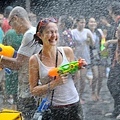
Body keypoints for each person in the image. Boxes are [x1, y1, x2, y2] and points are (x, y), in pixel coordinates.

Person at [29, 17, 87, 120]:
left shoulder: (67, 51)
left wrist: (77, 68)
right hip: (52, 109)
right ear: (40, 35)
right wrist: (54, 83)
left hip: (74, 105)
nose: (54, 36)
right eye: (49, 32)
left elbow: (75, 79)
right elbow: (33, 90)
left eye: (56, 32)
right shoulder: (35, 60)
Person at [0, 6, 42, 120]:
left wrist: (1, 59)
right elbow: (22, 60)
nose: (11, 27)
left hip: (29, 92)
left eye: (10, 23)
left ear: (16, 18)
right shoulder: (33, 32)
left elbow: (18, 63)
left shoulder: (29, 34)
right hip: (33, 88)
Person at [71, 16, 95, 104]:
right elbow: (70, 45)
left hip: (85, 57)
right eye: (81, 22)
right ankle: (75, 96)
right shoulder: (73, 32)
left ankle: (80, 96)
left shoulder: (87, 31)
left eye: (84, 22)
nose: (83, 24)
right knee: (77, 78)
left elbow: (93, 44)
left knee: (82, 78)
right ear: (77, 23)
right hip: (75, 58)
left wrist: (90, 38)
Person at [105, 1, 120, 119]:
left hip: (118, 59)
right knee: (114, 83)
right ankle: (116, 110)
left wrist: (110, 42)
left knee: (112, 83)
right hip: (116, 59)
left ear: (112, 10)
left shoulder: (119, 21)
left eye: (109, 10)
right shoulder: (116, 22)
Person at [2, 29, 23, 109]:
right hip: (22, 65)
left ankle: (14, 104)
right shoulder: (26, 33)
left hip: (9, 63)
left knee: (12, 89)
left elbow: (3, 47)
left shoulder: (9, 33)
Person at [87, 17, 106, 101]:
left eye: (94, 22)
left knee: (101, 76)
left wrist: (105, 56)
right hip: (92, 56)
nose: (93, 23)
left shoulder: (99, 31)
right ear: (88, 24)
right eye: (91, 22)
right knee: (96, 76)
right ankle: (93, 92)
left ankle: (98, 93)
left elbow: (103, 44)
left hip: (101, 56)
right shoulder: (86, 32)